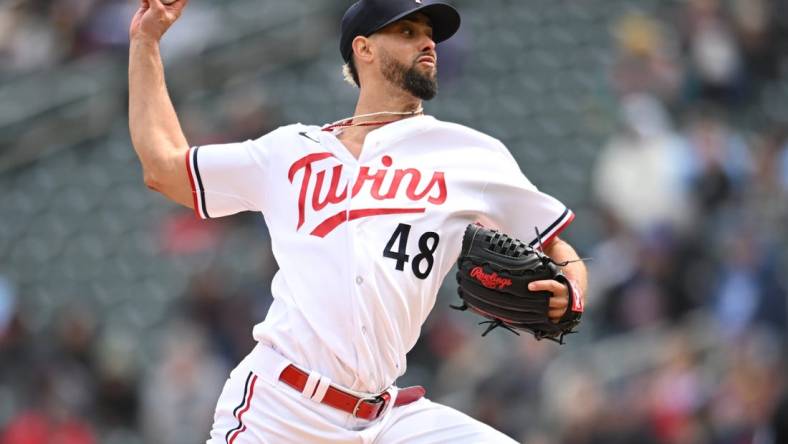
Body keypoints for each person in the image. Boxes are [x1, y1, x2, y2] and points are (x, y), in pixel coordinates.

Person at [128, 0, 588, 442]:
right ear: (363, 48)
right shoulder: (289, 151)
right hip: (280, 408)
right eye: (408, 32)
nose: (427, 44)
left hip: (385, 417)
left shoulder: (470, 154)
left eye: (430, 35)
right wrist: (146, 43)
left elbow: (557, 246)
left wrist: (571, 287)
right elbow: (164, 167)